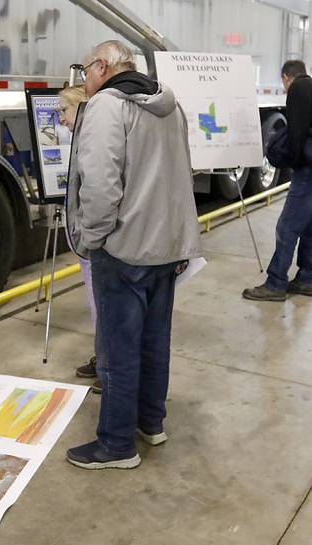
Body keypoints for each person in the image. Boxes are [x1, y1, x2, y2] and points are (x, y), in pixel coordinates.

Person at [64, 40, 201, 470]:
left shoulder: (107, 105)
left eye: (84, 71)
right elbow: (182, 174)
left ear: (102, 66)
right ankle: (150, 423)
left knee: (118, 351)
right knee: (154, 343)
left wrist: (92, 239)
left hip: (124, 249)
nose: (83, 80)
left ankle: (117, 444)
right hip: (166, 248)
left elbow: (100, 185)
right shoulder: (169, 104)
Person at [242, 60, 312, 301]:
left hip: (311, 170)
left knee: (287, 226)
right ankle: (306, 279)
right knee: (310, 225)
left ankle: (275, 284)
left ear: (286, 77)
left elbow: (296, 133)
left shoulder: (298, 90)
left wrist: (289, 160)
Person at [58, 85, 101, 392]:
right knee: (97, 305)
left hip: (94, 243)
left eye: (64, 110)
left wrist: (89, 238)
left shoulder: (91, 142)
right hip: (86, 243)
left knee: (103, 307)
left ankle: (110, 368)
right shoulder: (82, 139)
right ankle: (104, 358)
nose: (60, 119)